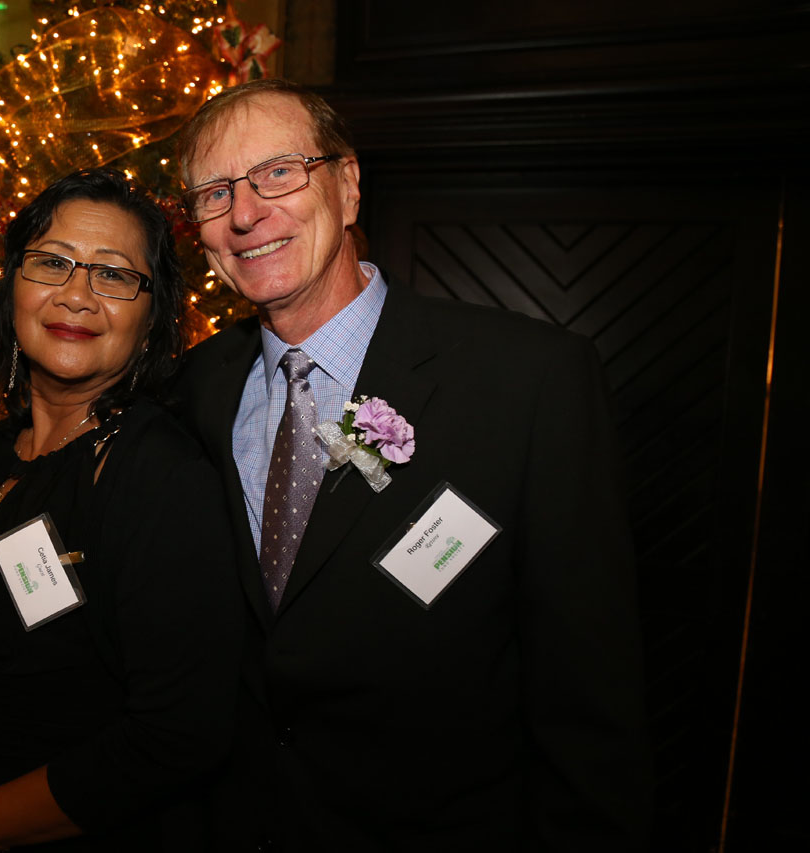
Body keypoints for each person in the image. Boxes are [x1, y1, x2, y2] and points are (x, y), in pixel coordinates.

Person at [172, 78, 653, 850]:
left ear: (349, 185)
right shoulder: (193, 389)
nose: (245, 212)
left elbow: (588, 696)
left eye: (277, 173)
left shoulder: (528, 382)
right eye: (213, 191)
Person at [0, 168, 241, 852]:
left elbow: (177, 734)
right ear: (13, 284)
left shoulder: (159, 474)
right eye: (51, 262)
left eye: (113, 275)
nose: (75, 295)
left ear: (152, 318)